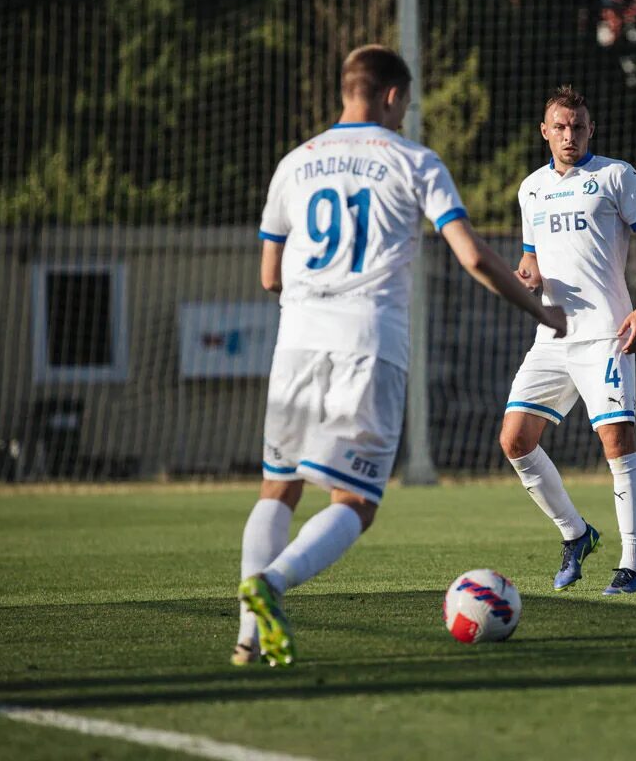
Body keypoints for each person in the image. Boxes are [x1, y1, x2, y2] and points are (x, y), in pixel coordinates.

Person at [234, 45, 567, 667]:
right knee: (356, 503)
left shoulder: (293, 164)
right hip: (368, 343)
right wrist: (543, 312)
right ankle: (272, 585)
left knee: (277, 487)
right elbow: (470, 255)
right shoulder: (414, 161)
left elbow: (269, 275)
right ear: (391, 95)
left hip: (297, 342)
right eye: (407, 102)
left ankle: (248, 638)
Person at [500, 85, 636, 595]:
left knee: (617, 443)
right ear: (545, 132)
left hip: (605, 334)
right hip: (553, 336)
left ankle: (633, 567)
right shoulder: (530, 188)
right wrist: (526, 275)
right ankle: (576, 534)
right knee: (515, 440)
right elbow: (533, 258)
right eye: (560, 126)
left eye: (578, 126)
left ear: (590, 129)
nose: (569, 134)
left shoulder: (615, 175)